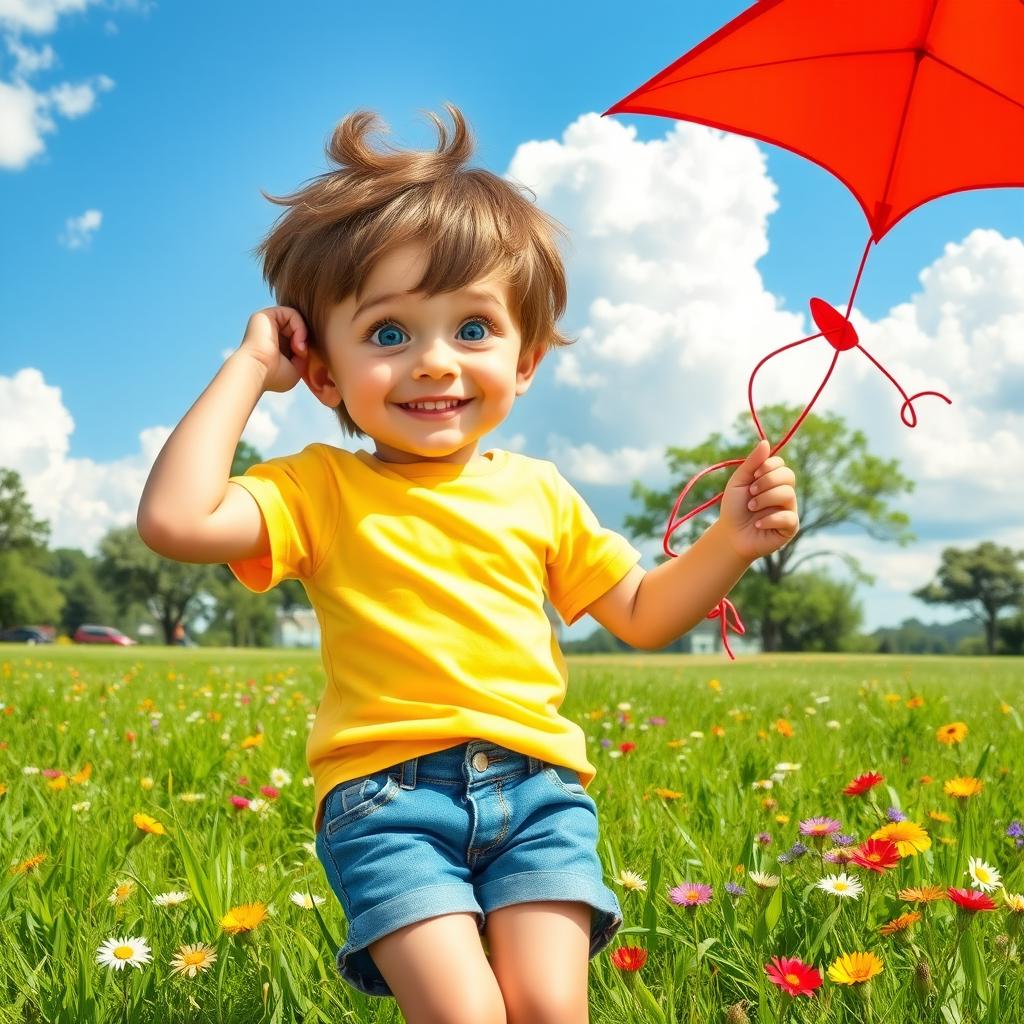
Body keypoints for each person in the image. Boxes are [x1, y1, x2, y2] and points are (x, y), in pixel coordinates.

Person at [136, 104, 799, 1023]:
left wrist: (731, 543)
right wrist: (252, 365)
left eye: (474, 330)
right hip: (387, 804)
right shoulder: (318, 489)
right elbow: (175, 518)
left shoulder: (539, 491)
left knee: (548, 1010)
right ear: (322, 371)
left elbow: (645, 613)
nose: (434, 363)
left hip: (538, 794)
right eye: (389, 333)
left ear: (526, 359)